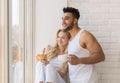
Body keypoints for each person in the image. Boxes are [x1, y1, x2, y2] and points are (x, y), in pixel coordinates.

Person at [61, 7, 105, 83]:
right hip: (74, 80)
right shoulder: (69, 38)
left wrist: (79, 60)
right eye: (62, 19)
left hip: (87, 80)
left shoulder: (84, 35)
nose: (63, 22)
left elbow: (101, 56)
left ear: (75, 20)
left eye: (66, 19)